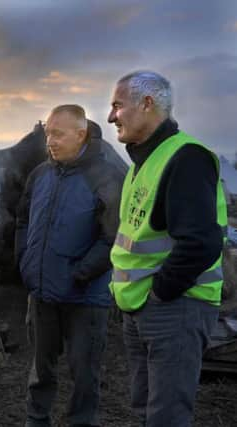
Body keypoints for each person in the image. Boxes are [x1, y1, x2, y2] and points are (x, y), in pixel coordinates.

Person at [107, 71, 227, 426]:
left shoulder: (187, 157)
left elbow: (201, 243)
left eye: (117, 105)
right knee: (145, 409)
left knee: (166, 417)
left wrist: (160, 294)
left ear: (147, 104)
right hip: (143, 307)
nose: (112, 115)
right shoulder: (141, 164)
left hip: (174, 308)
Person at [16, 105, 124, 427]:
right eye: (48, 133)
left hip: (86, 298)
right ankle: (36, 422)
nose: (50, 140)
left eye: (58, 134)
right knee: (40, 370)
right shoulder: (40, 174)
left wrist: (79, 273)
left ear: (81, 134)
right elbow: (22, 219)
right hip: (42, 292)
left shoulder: (105, 177)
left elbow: (114, 237)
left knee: (85, 375)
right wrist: (24, 261)